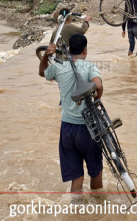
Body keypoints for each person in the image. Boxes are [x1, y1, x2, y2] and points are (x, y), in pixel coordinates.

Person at [39, 33, 104, 193]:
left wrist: (46, 56)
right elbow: (98, 85)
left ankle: (75, 211)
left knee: (77, 176)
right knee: (95, 172)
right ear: (85, 50)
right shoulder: (89, 67)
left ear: (68, 49)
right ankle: (99, 211)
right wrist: (96, 99)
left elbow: (42, 72)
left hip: (67, 129)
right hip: (88, 129)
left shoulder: (59, 68)